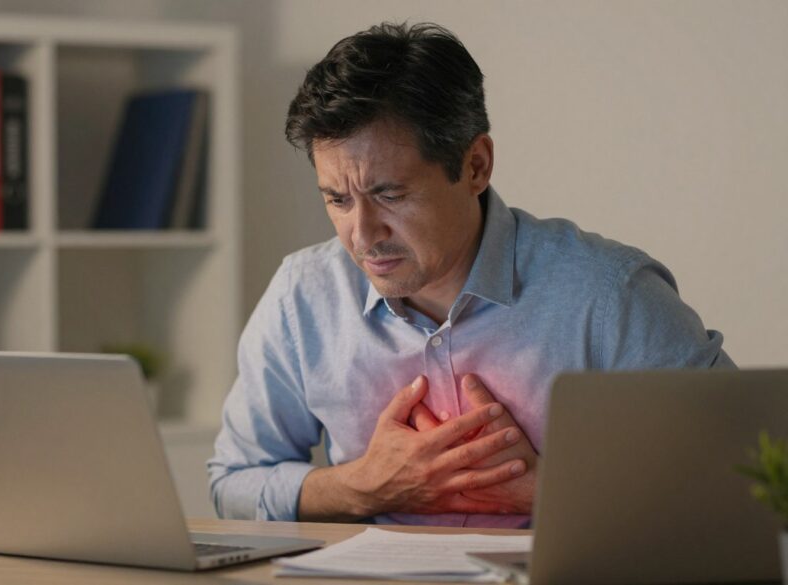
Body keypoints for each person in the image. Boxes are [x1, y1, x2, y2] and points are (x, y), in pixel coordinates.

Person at [207, 22, 733, 528]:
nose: (362, 234)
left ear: (476, 165)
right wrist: (363, 486)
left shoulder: (610, 295)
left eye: (389, 195)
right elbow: (233, 482)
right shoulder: (303, 296)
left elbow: (747, 476)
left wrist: (555, 490)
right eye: (337, 199)